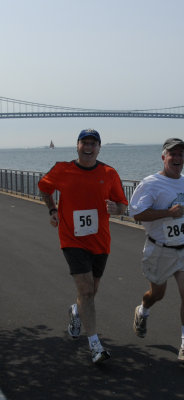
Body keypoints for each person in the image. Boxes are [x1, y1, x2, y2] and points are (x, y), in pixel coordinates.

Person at [38, 129, 128, 364]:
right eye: (84, 142)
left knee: (91, 292)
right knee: (87, 291)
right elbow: (44, 189)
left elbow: (123, 206)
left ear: (99, 147)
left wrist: (116, 209)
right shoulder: (62, 169)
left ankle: (76, 312)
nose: (88, 147)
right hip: (72, 239)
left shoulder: (109, 173)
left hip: (100, 241)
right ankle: (95, 345)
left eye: (93, 143)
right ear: (77, 145)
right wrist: (52, 209)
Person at [128, 138, 184, 362]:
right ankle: (142, 310)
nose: (177, 159)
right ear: (163, 158)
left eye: (181, 155)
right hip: (159, 249)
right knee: (156, 295)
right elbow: (136, 213)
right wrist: (168, 213)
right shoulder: (151, 183)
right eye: (173, 154)